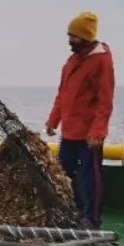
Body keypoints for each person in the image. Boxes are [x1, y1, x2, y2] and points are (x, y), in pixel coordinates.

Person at [45, 11, 115, 229]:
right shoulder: (71, 62)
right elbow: (62, 94)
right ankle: (72, 211)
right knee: (63, 174)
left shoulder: (101, 62)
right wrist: (53, 120)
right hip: (70, 132)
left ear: (85, 38)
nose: (69, 40)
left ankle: (93, 219)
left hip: (88, 136)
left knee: (90, 177)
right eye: (69, 35)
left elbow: (105, 100)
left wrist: (97, 132)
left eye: (73, 36)